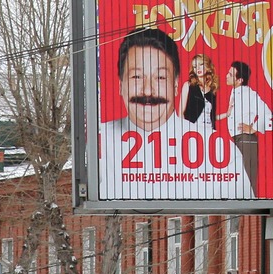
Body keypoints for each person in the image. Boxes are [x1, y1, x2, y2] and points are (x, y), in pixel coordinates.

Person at [99, 28, 253, 200]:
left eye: (160, 78)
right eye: (136, 77)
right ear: (121, 84)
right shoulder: (99, 145)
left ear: (176, 84)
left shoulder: (221, 153)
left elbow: (247, 210)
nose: (148, 90)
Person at [219, 61, 271, 195]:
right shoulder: (234, 92)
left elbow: (268, 114)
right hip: (236, 140)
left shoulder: (249, 94)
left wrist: (253, 128)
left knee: (247, 180)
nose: (226, 76)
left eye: (230, 74)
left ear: (240, 80)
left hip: (246, 140)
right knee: (238, 183)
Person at [178, 53, 217, 129]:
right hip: (192, 129)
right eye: (195, 67)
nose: (198, 68)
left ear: (207, 66)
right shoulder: (188, 85)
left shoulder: (212, 89)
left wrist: (227, 114)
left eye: (201, 64)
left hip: (209, 130)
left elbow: (212, 116)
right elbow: (181, 113)